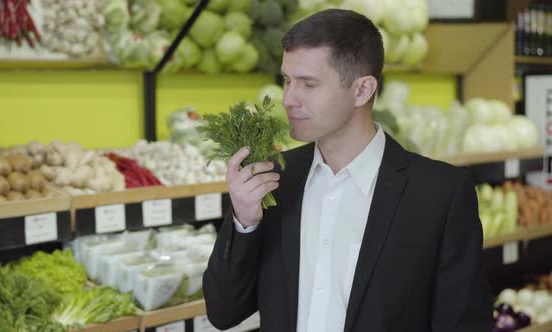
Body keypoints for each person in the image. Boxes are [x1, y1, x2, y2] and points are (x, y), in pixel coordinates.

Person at [202, 9, 493, 332]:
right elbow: (223, 311)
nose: (288, 99)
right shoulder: (275, 181)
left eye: (308, 84)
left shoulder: (440, 194)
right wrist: (244, 221)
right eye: (286, 80)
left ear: (362, 90)